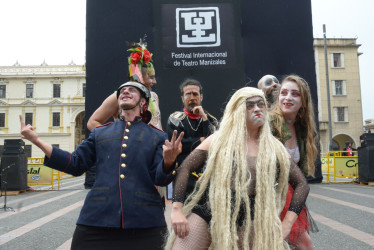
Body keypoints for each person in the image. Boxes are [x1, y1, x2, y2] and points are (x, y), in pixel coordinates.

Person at [20, 81, 183, 250]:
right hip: (96, 220)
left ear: (143, 102)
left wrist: (169, 161)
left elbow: (160, 178)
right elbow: (75, 164)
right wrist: (36, 141)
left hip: (145, 223)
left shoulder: (157, 136)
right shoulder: (100, 133)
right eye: (122, 91)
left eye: (132, 90)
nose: (125, 92)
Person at [166, 87, 309, 249]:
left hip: (251, 215)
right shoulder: (219, 139)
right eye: (249, 105)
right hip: (210, 207)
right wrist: (177, 209)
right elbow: (185, 167)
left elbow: (302, 184)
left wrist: (287, 224)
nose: (257, 109)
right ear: (238, 110)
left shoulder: (274, 147)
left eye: (261, 104)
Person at [270, 75, 319, 249]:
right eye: (283, 93)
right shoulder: (269, 123)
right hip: (266, 194)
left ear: (303, 101)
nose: (288, 97)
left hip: (289, 195)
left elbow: (298, 174)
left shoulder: (302, 129)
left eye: (295, 94)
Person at [87, 40, 162, 131]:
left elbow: (158, 126)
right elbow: (92, 122)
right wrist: (111, 139)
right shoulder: (118, 97)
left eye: (154, 78)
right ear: (138, 76)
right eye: (151, 77)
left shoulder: (154, 96)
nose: (154, 82)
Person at [167, 78, 218, 198]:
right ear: (182, 98)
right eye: (188, 94)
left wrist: (204, 118)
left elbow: (213, 143)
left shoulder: (211, 120)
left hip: (207, 174)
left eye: (195, 94)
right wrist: (199, 142)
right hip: (184, 174)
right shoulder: (175, 119)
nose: (192, 97)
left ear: (201, 97)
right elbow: (177, 146)